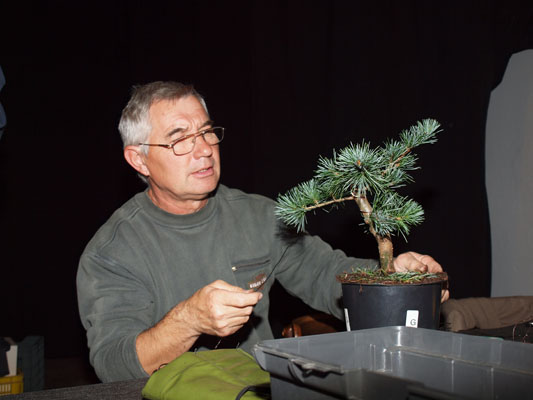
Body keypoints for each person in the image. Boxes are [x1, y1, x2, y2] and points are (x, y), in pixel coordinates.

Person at [77, 81, 449, 383]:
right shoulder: (113, 251)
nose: (204, 149)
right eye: (180, 139)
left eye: (206, 132)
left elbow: (325, 274)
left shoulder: (258, 215)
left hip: (260, 389)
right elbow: (114, 365)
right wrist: (189, 320)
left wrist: (392, 276)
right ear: (139, 159)